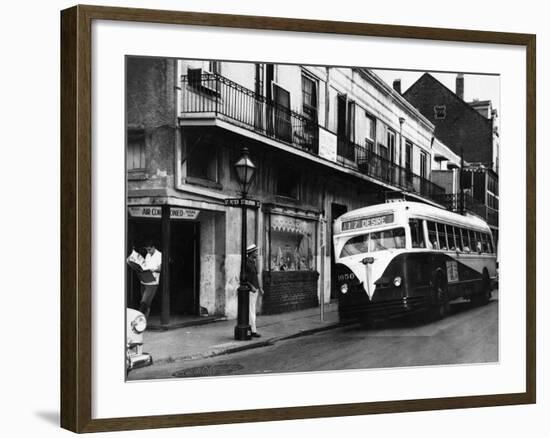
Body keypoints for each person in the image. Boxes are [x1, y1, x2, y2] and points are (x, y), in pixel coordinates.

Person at [138, 240, 162, 319]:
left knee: (144, 302)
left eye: (149, 249)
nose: (148, 251)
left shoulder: (159, 255)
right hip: (144, 281)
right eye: (147, 250)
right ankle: (143, 322)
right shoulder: (148, 255)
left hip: (152, 282)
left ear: (153, 247)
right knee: (147, 303)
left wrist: (153, 269)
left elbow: (160, 269)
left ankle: (138, 320)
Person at [244, 243, 263, 338]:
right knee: (251, 310)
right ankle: (253, 331)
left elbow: (255, 276)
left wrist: (260, 288)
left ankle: (252, 329)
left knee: (252, 310)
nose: (257, 253)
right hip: (251, 290)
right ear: (251, 253)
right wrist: (251, 286)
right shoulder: (247, 263)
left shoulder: (252, 262)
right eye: (255, 252)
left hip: (255, 289)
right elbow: (244, 278)